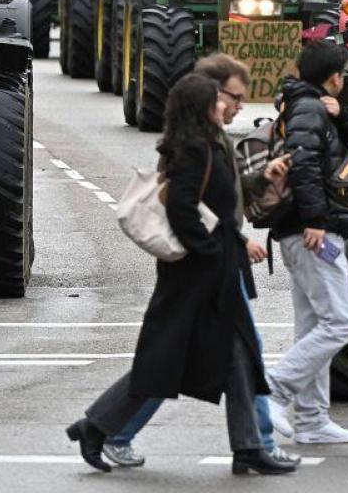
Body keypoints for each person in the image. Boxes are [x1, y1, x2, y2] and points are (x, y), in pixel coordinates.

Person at [68, 73, 291, 476]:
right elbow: (183, 210)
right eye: (218, 100)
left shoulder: (207, 145)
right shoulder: (194, 150)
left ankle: (248, 448)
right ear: (203, 107)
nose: (225, 105)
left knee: (239, 356)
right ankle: (96, 428)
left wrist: (234, 237)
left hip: (212, 274)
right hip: (195, 278)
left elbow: (219, 209)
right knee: (164, 361)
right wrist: (209, 253)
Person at [264, 41, 348, 445]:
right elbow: (305, 163)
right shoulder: (309, 109)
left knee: (314, 325)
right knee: (341, 322)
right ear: (335, 76)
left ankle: (312, 420)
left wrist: (344, 116)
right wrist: (317, 220)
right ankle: (274, 388)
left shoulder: (309, 106)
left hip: (302, 230)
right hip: (312, 232)